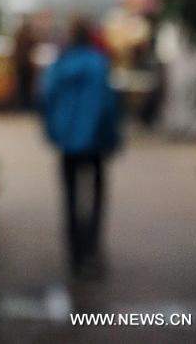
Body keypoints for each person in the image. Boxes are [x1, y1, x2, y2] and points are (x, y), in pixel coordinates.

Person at [41, 16, 121, 278]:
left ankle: (75, 253)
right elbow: (109, 105)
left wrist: (53, 132)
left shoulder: (59, 65)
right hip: (96, 141)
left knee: (70, 197)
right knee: (96, 197)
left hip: (67, 142)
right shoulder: (99, 64)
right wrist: (112, 138)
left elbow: (46, 99)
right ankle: (92, 249)